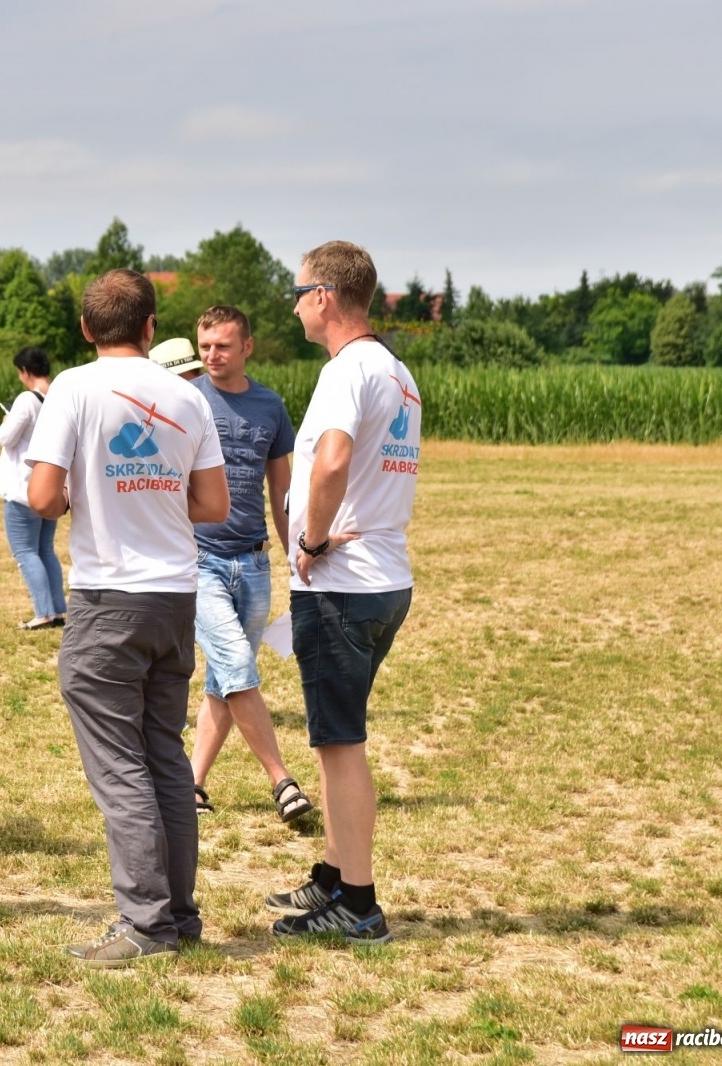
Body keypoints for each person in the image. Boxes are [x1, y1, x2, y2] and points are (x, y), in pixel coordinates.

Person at [25, 269, 229, 967]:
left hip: (107, 596)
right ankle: (177, 911)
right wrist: (154, 498)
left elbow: (43, 497)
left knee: (120, 768)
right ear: (150, 328)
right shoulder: (187, 396)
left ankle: (143, 923)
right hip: (175, 596)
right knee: (164, 756)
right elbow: (213, 505)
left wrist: (91, 497)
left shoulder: (73, 390)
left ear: (86, 330)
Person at [266, 241, 421, 945]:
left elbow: (330, 462)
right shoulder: (396, 370)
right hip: (387, 578)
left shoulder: (344, 369)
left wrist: (311, 540)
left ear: (325, 295)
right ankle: (333, 872)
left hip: (343, 583)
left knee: (338, 743)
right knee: (341, 734)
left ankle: (357, 902)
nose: (295, 304)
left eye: (298, 292)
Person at [183, 306, 312, 824]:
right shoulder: (187, 401)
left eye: (223, 346)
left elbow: (281, 488)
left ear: (247, 348)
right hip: (199, 561)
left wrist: (295, 551)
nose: (212, 356)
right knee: (238, 663)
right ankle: (282, 780)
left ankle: (189, 784)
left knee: (224, 678)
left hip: (254, 563)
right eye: (205, 346)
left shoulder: (270, 406)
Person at [0, 346, 65, 630]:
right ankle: (58, 609)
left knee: (25, 552)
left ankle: (43, 612)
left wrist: (6, 419)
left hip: (22, 489)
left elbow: (5, 437)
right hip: (51, 486)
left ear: (25, 371)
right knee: (45, 549)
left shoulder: (26, 399)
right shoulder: (59, 395)